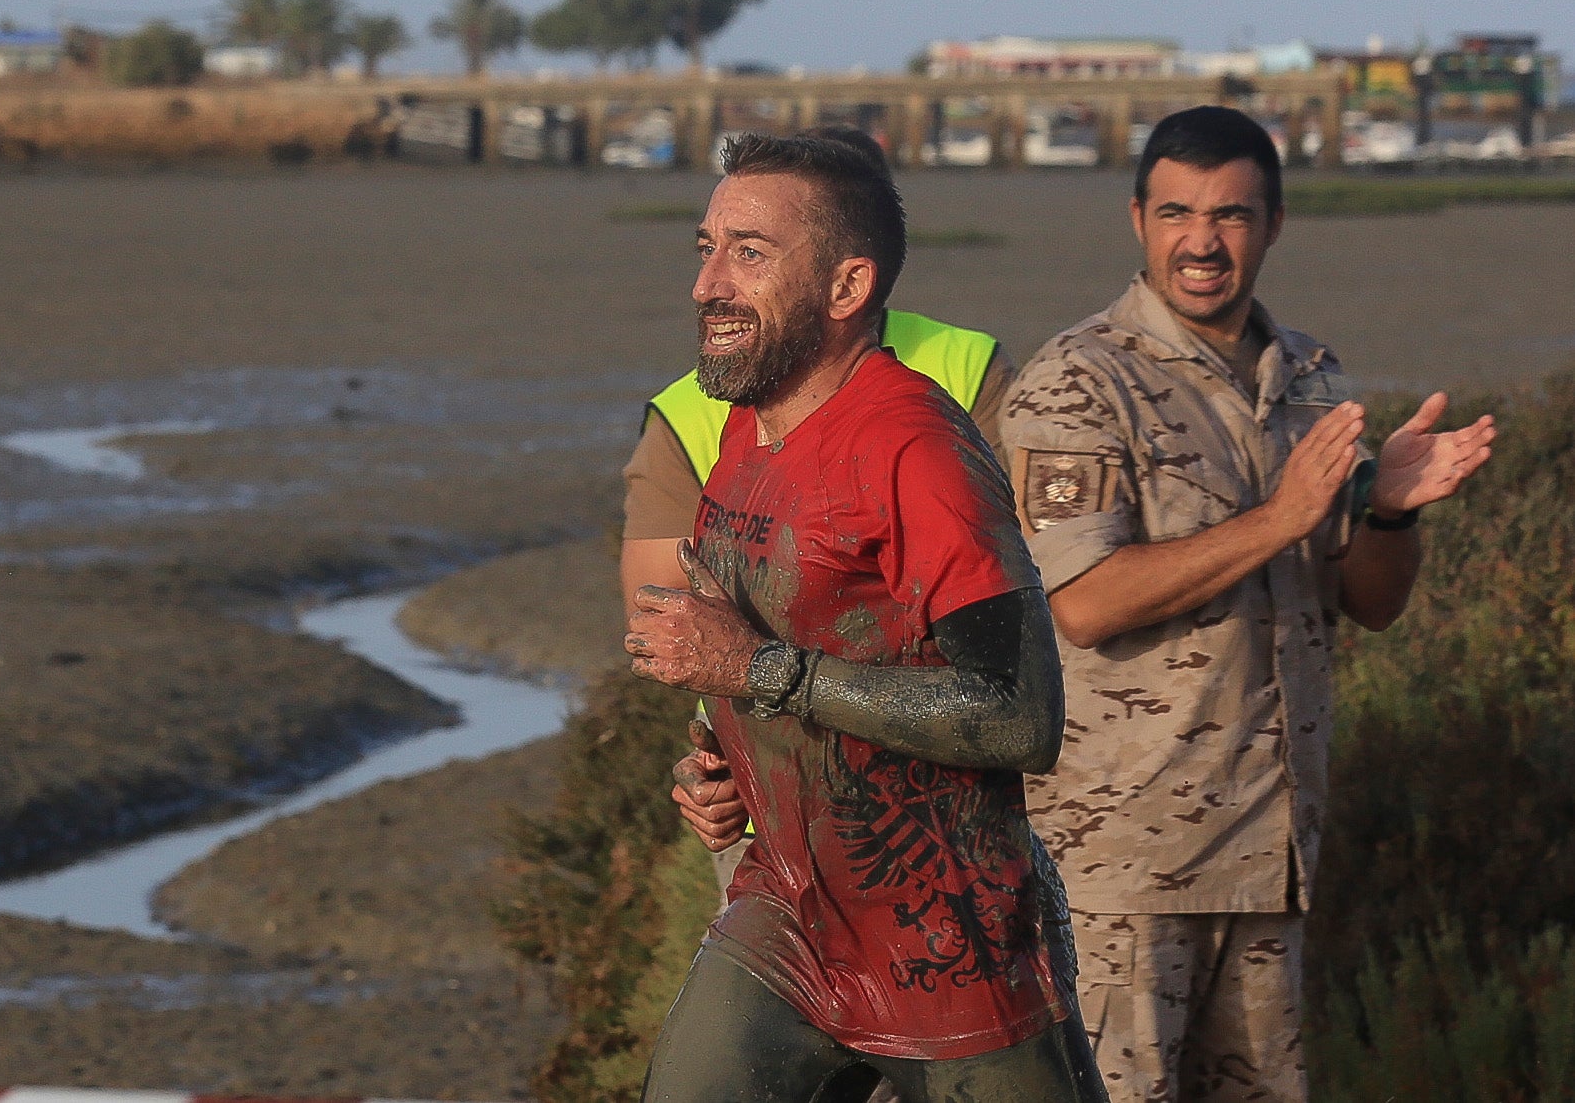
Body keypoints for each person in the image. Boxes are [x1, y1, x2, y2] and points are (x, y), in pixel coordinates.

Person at [1000, 105, 1496, 1103]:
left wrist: (1387, 513)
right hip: (1120, 871)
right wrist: (1280, 517)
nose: (1201, 240)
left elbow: (1370, 605)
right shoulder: (1076, 382)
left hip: (1270, 858)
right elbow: (1085, 603)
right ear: (1135, 218)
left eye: (1230, 214)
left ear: (1273, 223)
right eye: (1176, 211)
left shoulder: (1310, 378)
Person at [625, 132, 1107, 1102]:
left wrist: (761, 675)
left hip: (951, 944)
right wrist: (717, 761)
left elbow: (1021, 712)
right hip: (791, 914)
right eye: (705, 247)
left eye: (748, 254)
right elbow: (764, 642)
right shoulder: (741, 429)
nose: (706, 284)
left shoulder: (915, 448)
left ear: (847, 287)